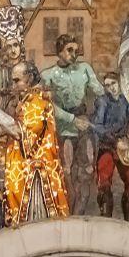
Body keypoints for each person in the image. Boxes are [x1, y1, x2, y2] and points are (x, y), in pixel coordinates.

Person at [0, 61, 69, 226]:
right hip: (23, 174)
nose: (13, 85)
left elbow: (19, 131)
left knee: (35, 227)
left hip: (35, 179)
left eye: (17, 80)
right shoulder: (27, 100)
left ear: (30, 78)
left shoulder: (38, 101)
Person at [40, 34, 104, 215]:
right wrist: (71, 119)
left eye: (76, 50)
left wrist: (93, 116)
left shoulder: (84, 69)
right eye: (69, 50)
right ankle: (65, 214)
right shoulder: (48, 75)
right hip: (64, 127)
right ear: (59, 51)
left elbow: (99, 92)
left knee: (86, 172)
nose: (74, 54)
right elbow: (46, 105)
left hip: (84, 125)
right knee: (66, 172)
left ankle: (79, 214)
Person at [91, 71, 129, 221]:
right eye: (107, 85)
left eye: (113, 84)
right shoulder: (103, 102)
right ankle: (106, 221)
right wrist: (113, 140)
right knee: (104, 184)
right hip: (107, 145)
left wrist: (123, 139)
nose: (111, 88)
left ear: (119, 83)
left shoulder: (126, 101)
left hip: (123, 144)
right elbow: (97, 126)